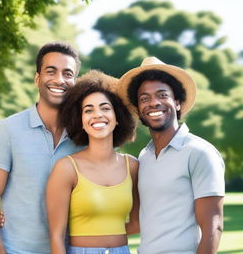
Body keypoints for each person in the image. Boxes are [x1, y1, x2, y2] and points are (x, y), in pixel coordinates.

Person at [118, 57, 225, 254]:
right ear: (139, 110)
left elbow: (213, 227)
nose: (153, 103)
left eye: (162, 95)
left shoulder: (200, 152)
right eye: (144, 98)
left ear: (177, 102)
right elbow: (143, 222)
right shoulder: (145, 156)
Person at [0, 41, 82, 254]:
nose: (59, 79)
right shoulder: (8, 130)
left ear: (75, 82)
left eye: (68, 74)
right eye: (51, 71)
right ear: (37, 78)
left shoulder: (84, 137)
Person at [46, 70, 139, 254]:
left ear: (117, 117)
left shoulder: (133, 167)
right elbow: (56, 236)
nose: (97, 115)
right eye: (88, 110)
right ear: (80, 120)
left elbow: (137, 223)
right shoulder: (66, 168)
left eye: (105, 108)